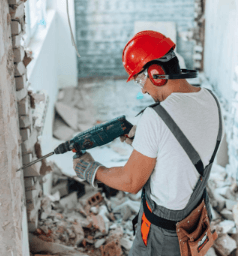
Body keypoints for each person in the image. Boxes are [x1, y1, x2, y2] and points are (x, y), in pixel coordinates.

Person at [73, 30, 225, 256]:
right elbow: (182, 148)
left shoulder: (155, 117)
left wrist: (91, 170)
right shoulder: (211, 99)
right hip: (196, 218)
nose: (143, 90)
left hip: (164, 236)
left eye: (140, 80)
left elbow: (131, 181)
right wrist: (144, 141)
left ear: (156, 73)